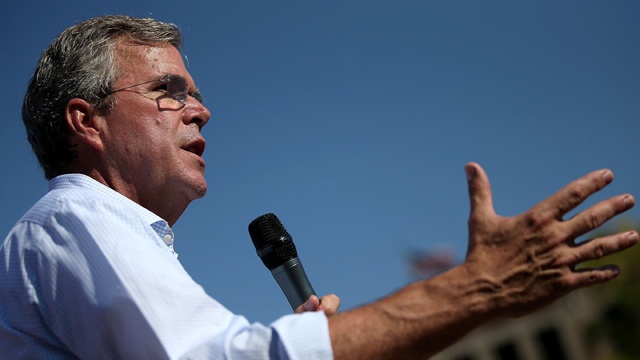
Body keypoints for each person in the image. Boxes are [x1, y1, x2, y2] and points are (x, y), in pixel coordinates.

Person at [0, 14, 636, 360]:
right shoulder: (73, 220)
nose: (201, 110)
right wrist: (478, 288)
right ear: (87, 122)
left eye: (195, 92)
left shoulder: (106, 239)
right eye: (169, 92)